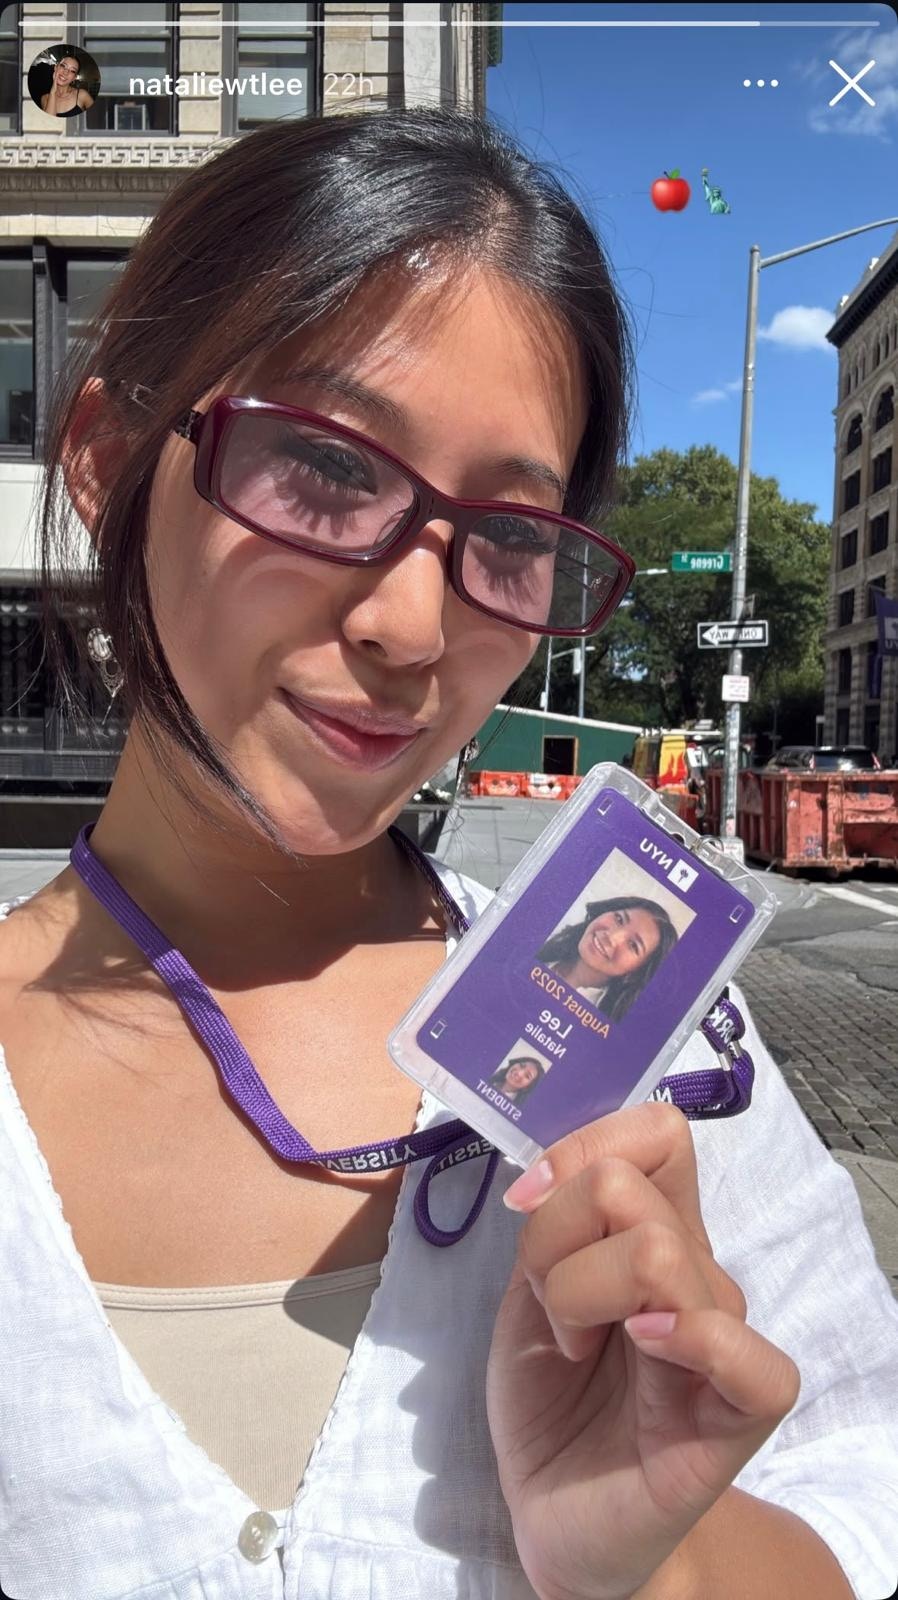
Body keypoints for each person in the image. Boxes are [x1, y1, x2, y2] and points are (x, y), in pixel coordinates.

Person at [0, 106, 896, 1600]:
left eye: (510, 536)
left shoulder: (652, 1030)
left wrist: (654, 1556)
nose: (413, 629)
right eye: (323, 466)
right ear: (107, 458)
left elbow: (860, 1496)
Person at [537, 895, 678, 1019]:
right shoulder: (543, 934)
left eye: (633, 945)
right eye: (619, 919)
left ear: (638, 971)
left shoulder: (600, 1025)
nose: (612, 937)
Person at [40, 52, 95, 117]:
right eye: (63, 66)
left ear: (74, 78)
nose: (66, 72)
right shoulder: (45, 98)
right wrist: (53, 92)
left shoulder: (82, 95)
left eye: (72, 71)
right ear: (56, 67)